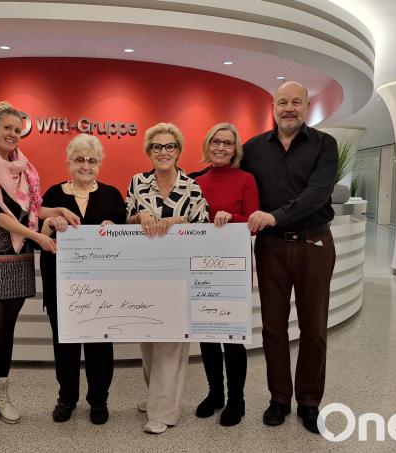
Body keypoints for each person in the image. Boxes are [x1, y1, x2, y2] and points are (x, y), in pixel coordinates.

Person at [0, 101, 79, 428]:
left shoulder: (25, 169)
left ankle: (2, 392)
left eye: (18, 130)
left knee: (8, 332)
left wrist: (56, 211)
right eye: (7, 129)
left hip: (19, 258)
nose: (13, 135)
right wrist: (38, 237)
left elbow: (30, 210)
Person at [240, 81, 338, 434]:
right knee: (272, 328)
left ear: (307, 106)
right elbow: (228, 178)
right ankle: (279, 398)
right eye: (283, 102)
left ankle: (309, 402)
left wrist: (275, 215)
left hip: (314, 243)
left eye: (296, 102)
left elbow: (317, 194)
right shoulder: (252, 148)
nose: (289, 108)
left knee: (314, 329)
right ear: (274, 107)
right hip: (271, 247)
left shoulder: (325, 144)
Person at [126, 122, 208, 434]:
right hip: (144, 274)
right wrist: (140, 217)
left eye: (169, 147)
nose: (163, 152)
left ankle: (163, 411)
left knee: (172, 344)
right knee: (148, 341)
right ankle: (155, 396)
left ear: (178, 151)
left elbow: (203, 226)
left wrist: (181, 221)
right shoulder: (137, 182)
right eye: (157, 147)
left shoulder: (192, 186)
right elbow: (126, 219)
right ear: (149, 151)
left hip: (178, 275)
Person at [39, 134, 127, 425]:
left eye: (91, 160)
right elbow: (38, 236)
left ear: (99, 164)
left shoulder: (113, 195)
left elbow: (127, 240)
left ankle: (99, 401)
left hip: (103, 289)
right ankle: (66, 398)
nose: (85, 165)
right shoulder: (53, 195)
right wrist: (51, 223)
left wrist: (115, 229)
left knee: (100, 345)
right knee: (64, 344)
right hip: (62, 287)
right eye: (79, 159)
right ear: (68, 162)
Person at [188, 123, 259, 427]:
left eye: (227, 144)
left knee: (231, 337)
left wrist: (233, 218)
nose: (221, 148)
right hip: (200, 265)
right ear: (207, 145)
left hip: (233, 267)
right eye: (216, 142)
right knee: (206, 333)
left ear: (235, 149)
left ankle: (236, 400)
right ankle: (215, 393)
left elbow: (255, 220)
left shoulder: (246, 179)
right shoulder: (194, 181)